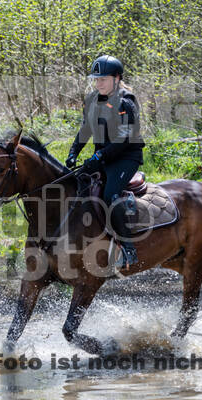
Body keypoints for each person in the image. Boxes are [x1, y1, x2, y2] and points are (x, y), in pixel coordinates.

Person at [65, 54, 145, 269]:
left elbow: (123, 140)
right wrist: (73, 152)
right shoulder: (92, 99)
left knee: (110, 195)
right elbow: (86, 130)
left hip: (125, 157)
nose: (98, 83)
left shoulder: (126, 103)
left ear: (117, 78)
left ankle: (128, 248)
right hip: (103, 156)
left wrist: (98, 157)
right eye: (96, 79)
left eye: (103, 79)